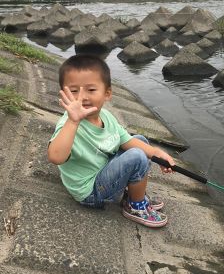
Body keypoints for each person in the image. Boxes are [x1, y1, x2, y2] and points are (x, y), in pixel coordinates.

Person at [48, 54, 175, 228]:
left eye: (91, 90)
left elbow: (127, 141)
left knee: (140, 141)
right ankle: (135, 206)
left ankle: (132, 194)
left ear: (107, 93)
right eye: (74, 90)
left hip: (102, 170)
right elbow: (56, 157)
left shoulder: (106, 116)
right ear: (63, 93)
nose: (82, 97)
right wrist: (73, 121)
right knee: (137, 156)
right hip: (90, 191)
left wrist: (157, 153)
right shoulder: (69, 123)